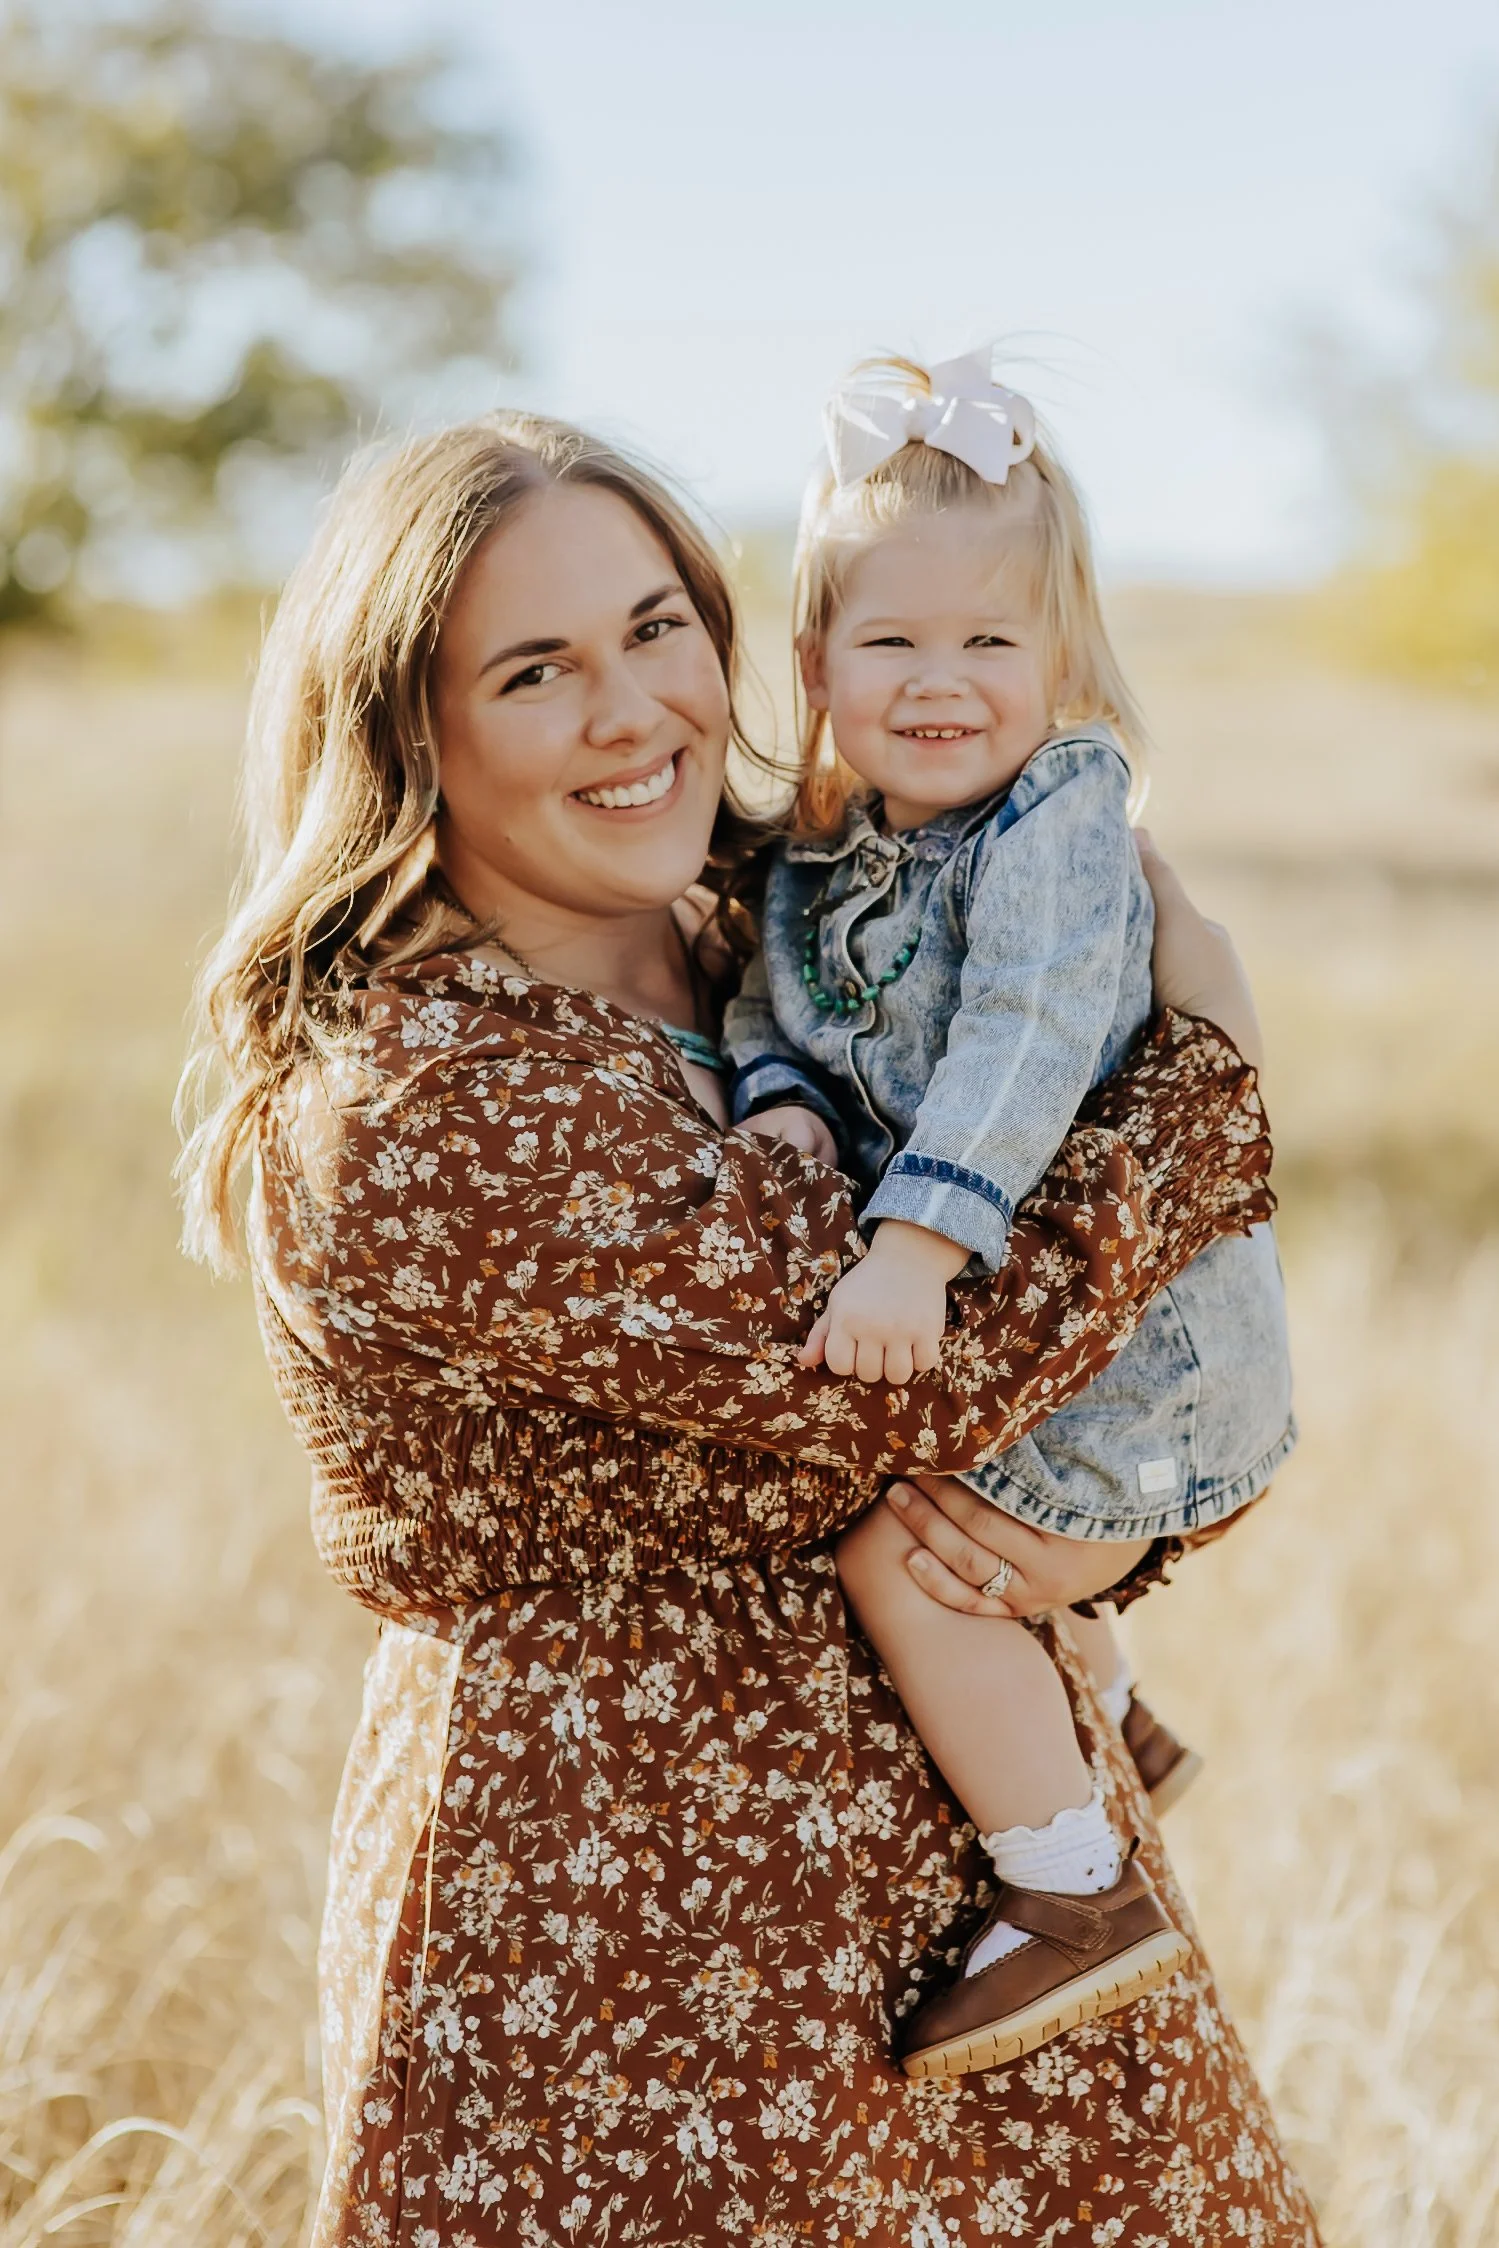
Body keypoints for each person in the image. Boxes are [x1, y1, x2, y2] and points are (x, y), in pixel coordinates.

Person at [178, 410, 1319, 2244]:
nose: (634, 712)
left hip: (980, 1894)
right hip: (638, 1934)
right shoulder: (420, 1094)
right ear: (413, 732)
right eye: (536, 670)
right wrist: (1207, 1073)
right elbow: (918, 1358)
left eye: (656, 628)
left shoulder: (787, 931)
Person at [721, 349, 1296, 2077]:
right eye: (890, 643)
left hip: (1148, 1351)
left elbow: (1028, 1035)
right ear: (814, 661)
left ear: (1063, 662)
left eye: (992, 644)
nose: (942, 683)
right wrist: (776, 1112)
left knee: (907, 1561)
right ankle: (1110, 1709)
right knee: (943, 1509)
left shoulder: (1057, 815)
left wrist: (913, 1243)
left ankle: (1072, 1890)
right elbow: (772, 1010)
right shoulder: (820, 858)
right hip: (1049, 1337)